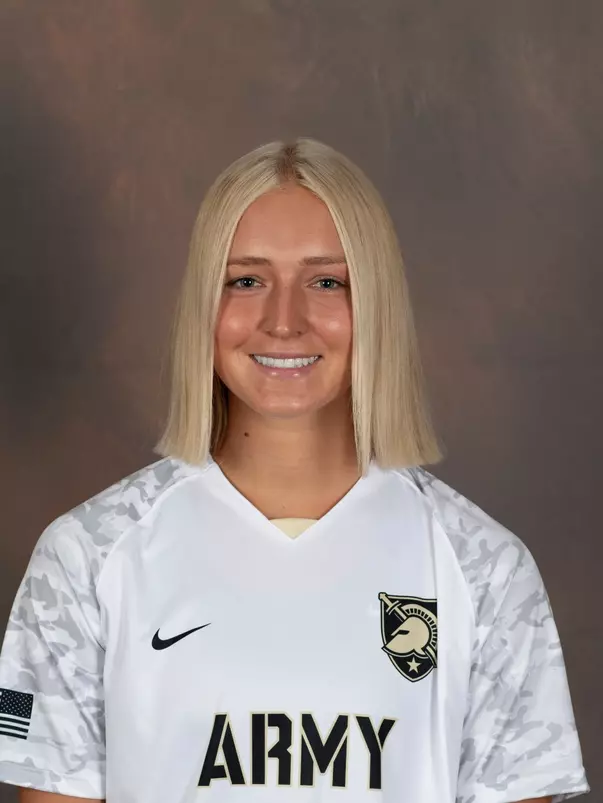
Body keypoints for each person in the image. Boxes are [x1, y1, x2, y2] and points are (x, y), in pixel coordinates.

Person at [0, 138, 589, 803]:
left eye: (326, 281)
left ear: (376, 304)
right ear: (205, 304)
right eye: (246, 279)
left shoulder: (483, 569)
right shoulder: (86, 559)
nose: (283, 321)